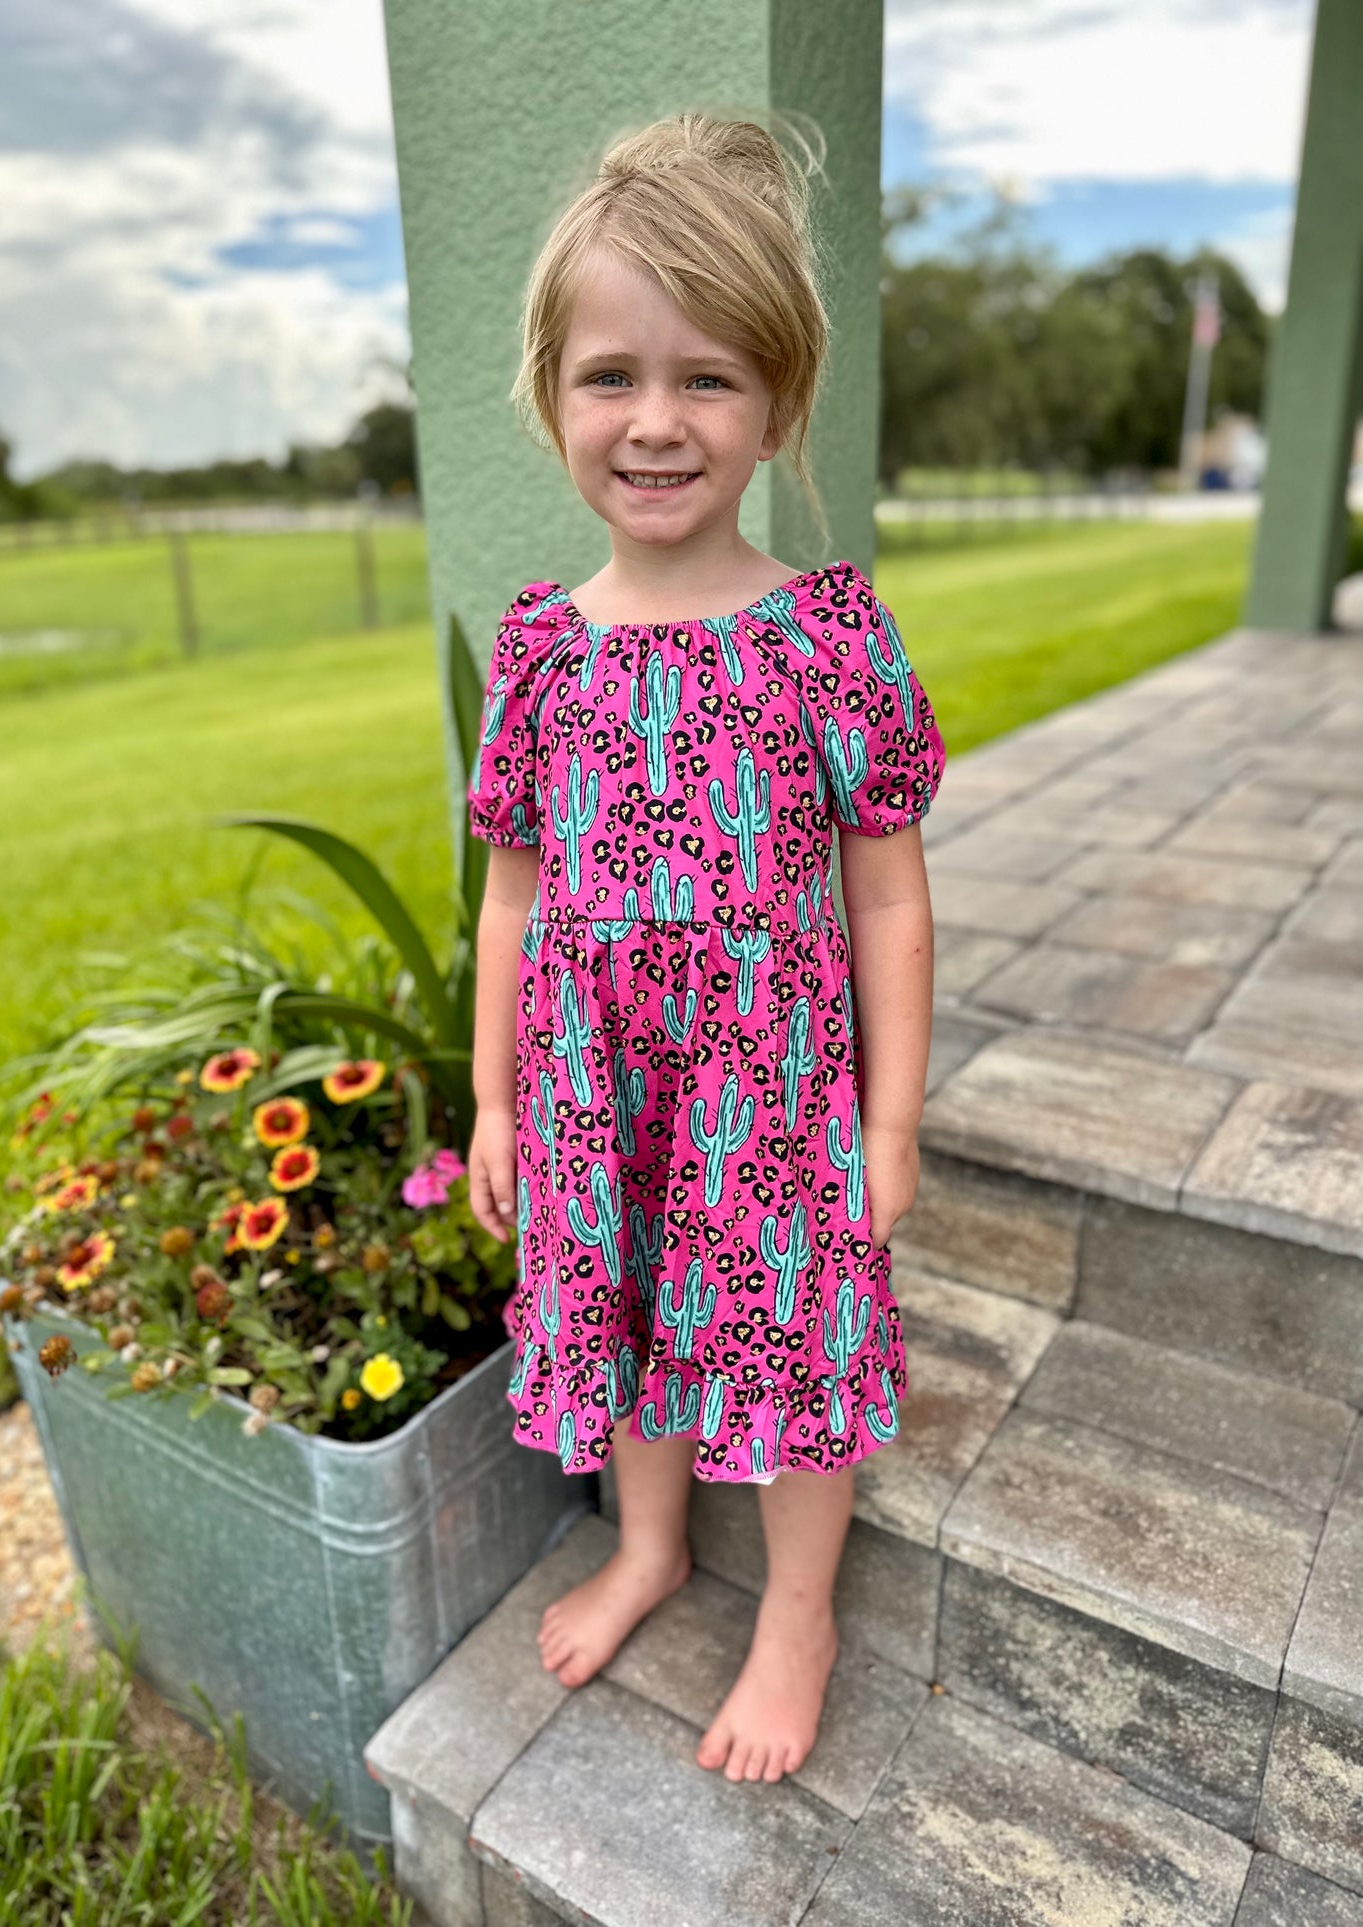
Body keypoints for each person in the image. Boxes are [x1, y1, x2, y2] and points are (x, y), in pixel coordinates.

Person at [465, 111, 945, 1788]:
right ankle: (652, 1544)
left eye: (709, 379)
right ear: (550, 394)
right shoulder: (540, 646)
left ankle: (796, 1606)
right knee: (633, 1315)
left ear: (777, 405)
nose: (656, 422)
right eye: (611, 375)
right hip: (596, 1081)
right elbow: (512, 894)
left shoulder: (824, 636)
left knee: (791, 1339)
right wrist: (499, 1106)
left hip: (774, 1079)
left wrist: (886, 1122)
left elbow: (883, 887)